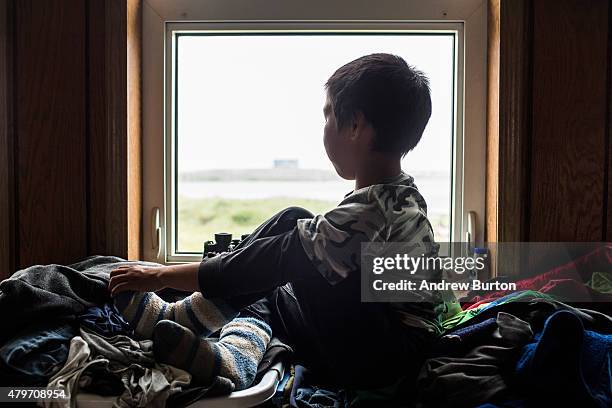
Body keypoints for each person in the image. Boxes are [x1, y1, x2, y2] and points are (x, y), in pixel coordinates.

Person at [109, 53, 444, 392]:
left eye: (328, 115)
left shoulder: (374, 209)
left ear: (355, 126)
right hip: (384, 348)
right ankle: (233, 359)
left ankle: (181, 318)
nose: (325, 127)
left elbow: (276, 257)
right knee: (269, 280)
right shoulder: (402, 194)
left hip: (387, 361)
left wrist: (161, 274)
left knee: (289, 230)